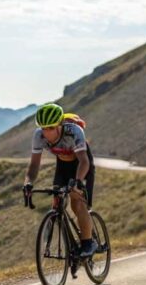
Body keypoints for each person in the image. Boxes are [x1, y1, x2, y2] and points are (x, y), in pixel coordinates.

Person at [23, 103, 97, 268]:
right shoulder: (38, 136)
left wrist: (77, 182)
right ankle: (71, 245)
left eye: (50, 127)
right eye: (43, 128)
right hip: (63, 166)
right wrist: (28, 183)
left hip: (82, 164)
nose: (46, 132)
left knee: (77, 202)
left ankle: (88, 243)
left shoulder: (73, 132)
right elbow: (34, 165)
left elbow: (84, 161)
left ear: (59, 125)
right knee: (56, 202)